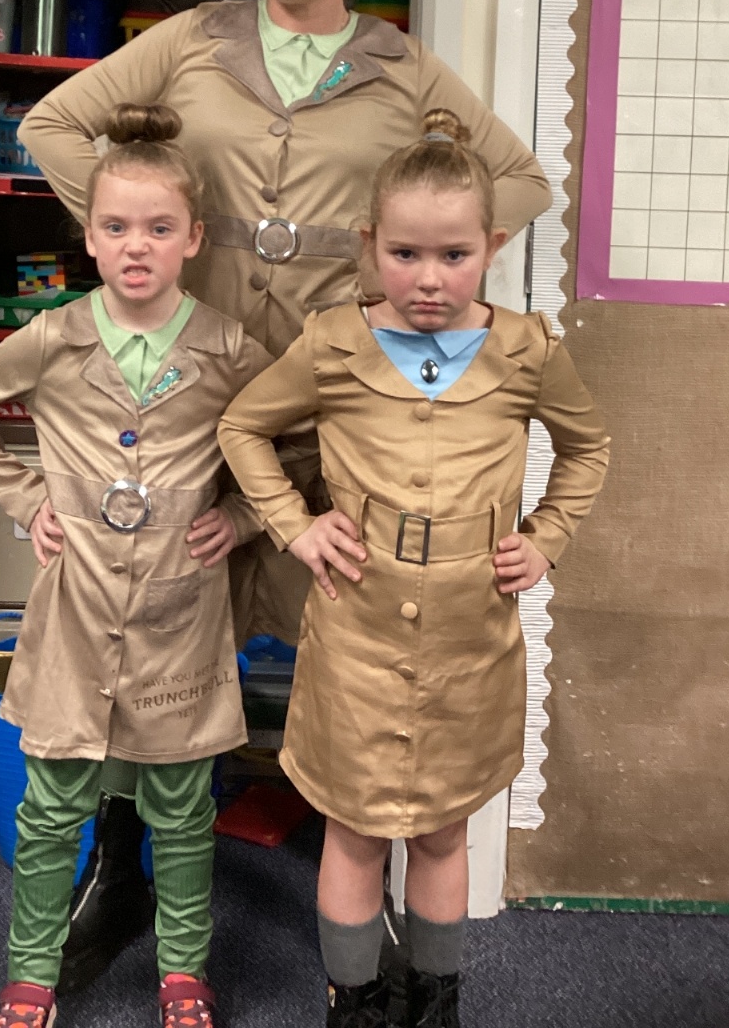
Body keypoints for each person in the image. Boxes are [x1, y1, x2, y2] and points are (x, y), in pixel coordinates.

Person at [18, 0, 553, 970]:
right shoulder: (193, 39)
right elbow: (53, 126)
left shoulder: (400, 67)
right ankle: (123, 869)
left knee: (353, 644)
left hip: (332, 411)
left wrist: (406, 276)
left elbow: (517, 181)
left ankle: (369, 886)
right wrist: (147, 239)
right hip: (187, 396)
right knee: (148, 638)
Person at [217, 110, 611, 1028]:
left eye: (454, 256)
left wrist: (547, 536)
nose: (429, 279)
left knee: (441, 831)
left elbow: (588, 447)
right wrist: (294, 525)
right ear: (369, 244)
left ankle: (436, 1008)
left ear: (493, 247)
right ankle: (352, 1007)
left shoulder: (528, 351)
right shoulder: (333, 344)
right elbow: (244, 427)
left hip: (471, 641)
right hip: (356, 632)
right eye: (403, 255)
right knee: (354, 831)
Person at [0, 105, 270, 1028]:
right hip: (74, 611)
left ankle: (183, 971)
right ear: (88, 236)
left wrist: (241, 517)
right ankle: (31, 974)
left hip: (179, 617)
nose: (136, 246)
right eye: (115, 227)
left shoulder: (230, 349)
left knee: (182, 809)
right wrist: (26, 499)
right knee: (50, 806)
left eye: (158, 228)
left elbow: (298, 443)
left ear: (193, 238)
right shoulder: (55, 337)